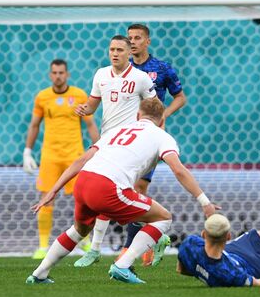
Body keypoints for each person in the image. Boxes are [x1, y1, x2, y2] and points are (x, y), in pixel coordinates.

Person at [27, 98, 217, 285]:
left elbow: (82, 160)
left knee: (80, 229)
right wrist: (205, 202)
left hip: (84, 181)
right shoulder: (163, 137)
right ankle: (123, 265)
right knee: (163, 217)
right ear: (162, 121)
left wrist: (52, 191)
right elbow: (178, 170)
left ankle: (39, 274)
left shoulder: (118, 130)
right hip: (107, 187)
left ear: (137, 115)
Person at [71, 35, 157, 268]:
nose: (115, 53)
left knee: (110, 195)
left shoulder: (140, 78)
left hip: (130, 145)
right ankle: (156, 231)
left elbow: (156, 108)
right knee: (108, 196)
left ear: (129, 52)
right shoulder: (101, 74)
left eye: (120, 49)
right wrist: (84, 109)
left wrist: (155, 141)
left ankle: (99, 248)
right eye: (111, 49)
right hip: (107, 141)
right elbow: (92, 104)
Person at [118, 23, 187, 265]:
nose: (133, 42)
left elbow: (181, 96)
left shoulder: (161, 69)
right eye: (130, 38)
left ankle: (130, 246)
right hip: (125, 137)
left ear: (147, 41)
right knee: (125, 189)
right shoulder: (121, 69)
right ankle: (154, 237)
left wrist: (164, 114)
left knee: (138, 189)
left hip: (148, 137)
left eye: (137, 38)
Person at [23, 59, 99, 259]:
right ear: (50, 75)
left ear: (67, 75)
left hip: (74, 155)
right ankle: (42, 246)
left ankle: (84, 241)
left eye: (61, 72)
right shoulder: (42, 97)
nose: (58, 76)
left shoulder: (79, 95)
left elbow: (90, 124)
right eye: (54, 72)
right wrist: (27, 151)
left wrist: (100, 149)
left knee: (83, 199)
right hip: (50, 155)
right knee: (46, 199)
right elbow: (34, 125)